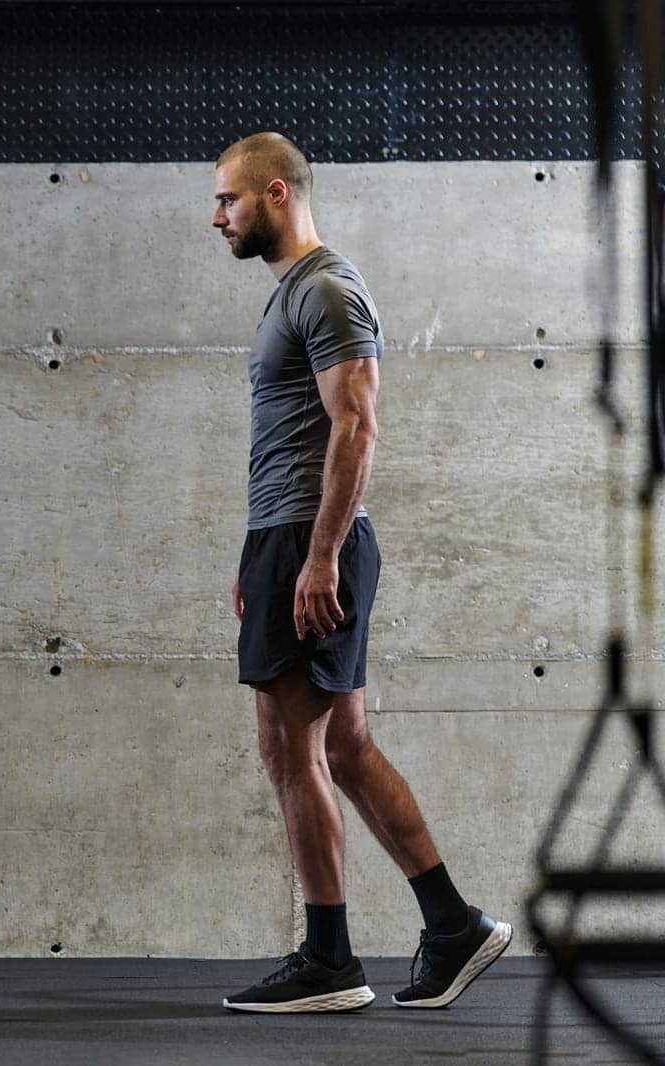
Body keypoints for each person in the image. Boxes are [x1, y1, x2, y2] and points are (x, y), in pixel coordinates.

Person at [211, 132, 510, 1013]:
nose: (215, 217)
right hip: (289, 536)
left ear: (274, 193)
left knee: (289, 750)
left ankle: (331, 961)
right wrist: (260, 552)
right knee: (339, 746)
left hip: (313, 538)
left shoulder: (328, 290)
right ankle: (451, 927)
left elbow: (356, 427)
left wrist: (317, 556)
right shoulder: (293, 295)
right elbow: (297, 438)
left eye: (226, 200)